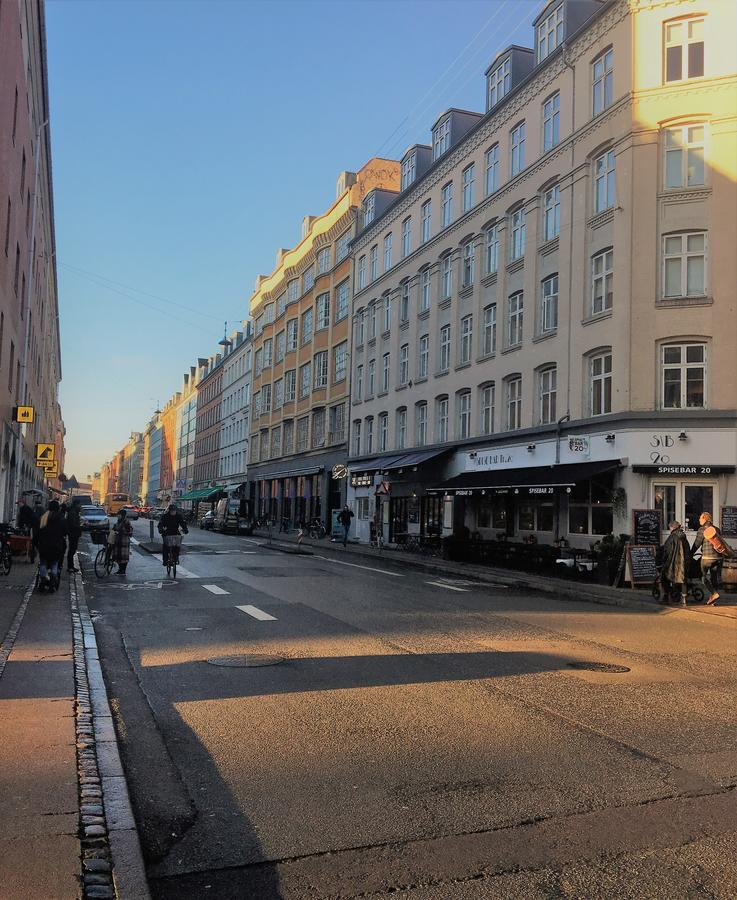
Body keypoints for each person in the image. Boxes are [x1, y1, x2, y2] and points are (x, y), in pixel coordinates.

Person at [690, 512, 726, 605]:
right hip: (718, 558)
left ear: (705, 519)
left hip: (707, 558)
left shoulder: (702, 529)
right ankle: (714, 599)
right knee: (714, 577)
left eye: (700, 518)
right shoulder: (717, 529)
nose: (699, 520)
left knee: (703, 576)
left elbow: (697, 544)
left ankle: (714, 594)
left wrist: (690, 554)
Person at [37, 500, 67, 593]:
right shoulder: (61, 517)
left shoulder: (44, 517)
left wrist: (37, 543)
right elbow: (65, 531)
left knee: (43, 562)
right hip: (56, 545)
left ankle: (43, 579)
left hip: (44, 545)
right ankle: (53, 581)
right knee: (54, 563)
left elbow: (39, 531)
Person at [659, 520, 690, 606]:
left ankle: (666, 596)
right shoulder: (683, 536)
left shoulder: (672, 537)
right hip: (684, 563)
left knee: (664, 577)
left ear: (672, 527)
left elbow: (667, 551)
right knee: (683, 578)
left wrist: (663, 560)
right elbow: (687, 550)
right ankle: (683, 598)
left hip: (673, 563)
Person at [158, 503, 188, 568]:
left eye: (174, 511)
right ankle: (165, 560)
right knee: (165, 547)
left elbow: (183, 523)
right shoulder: (165, 516)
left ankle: (176, 557)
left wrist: (185, 529)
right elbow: (160, 524)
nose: (173, 512)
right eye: (172, 511)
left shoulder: (178, 516)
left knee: (177, 546)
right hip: (167, 532)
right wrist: (161, 529)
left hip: (175, 532)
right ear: (169, 510)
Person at [112, 508, 133, 575]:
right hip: (118, 541)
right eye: (118, 515)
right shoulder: (119, 521)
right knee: (119, 556)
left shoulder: (126, 522)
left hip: (124, 541)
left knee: (124, 557)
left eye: (119, 515)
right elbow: (114, 528)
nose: (118, 516)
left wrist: (121, 531)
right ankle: (120, 570)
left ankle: (123, 570)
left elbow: (129, 531)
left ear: (122, 515)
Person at [66, 498, 82, 572]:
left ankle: (71, 566)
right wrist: (80, 526)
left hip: (74, 533)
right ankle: (70, 567)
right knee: (72, 550)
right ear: (76, 505)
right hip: (73, 534)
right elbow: (73, 524)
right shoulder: (73, 512)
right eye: (79, 504)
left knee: (72, 550)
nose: (80, 506)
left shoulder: (74, 512)